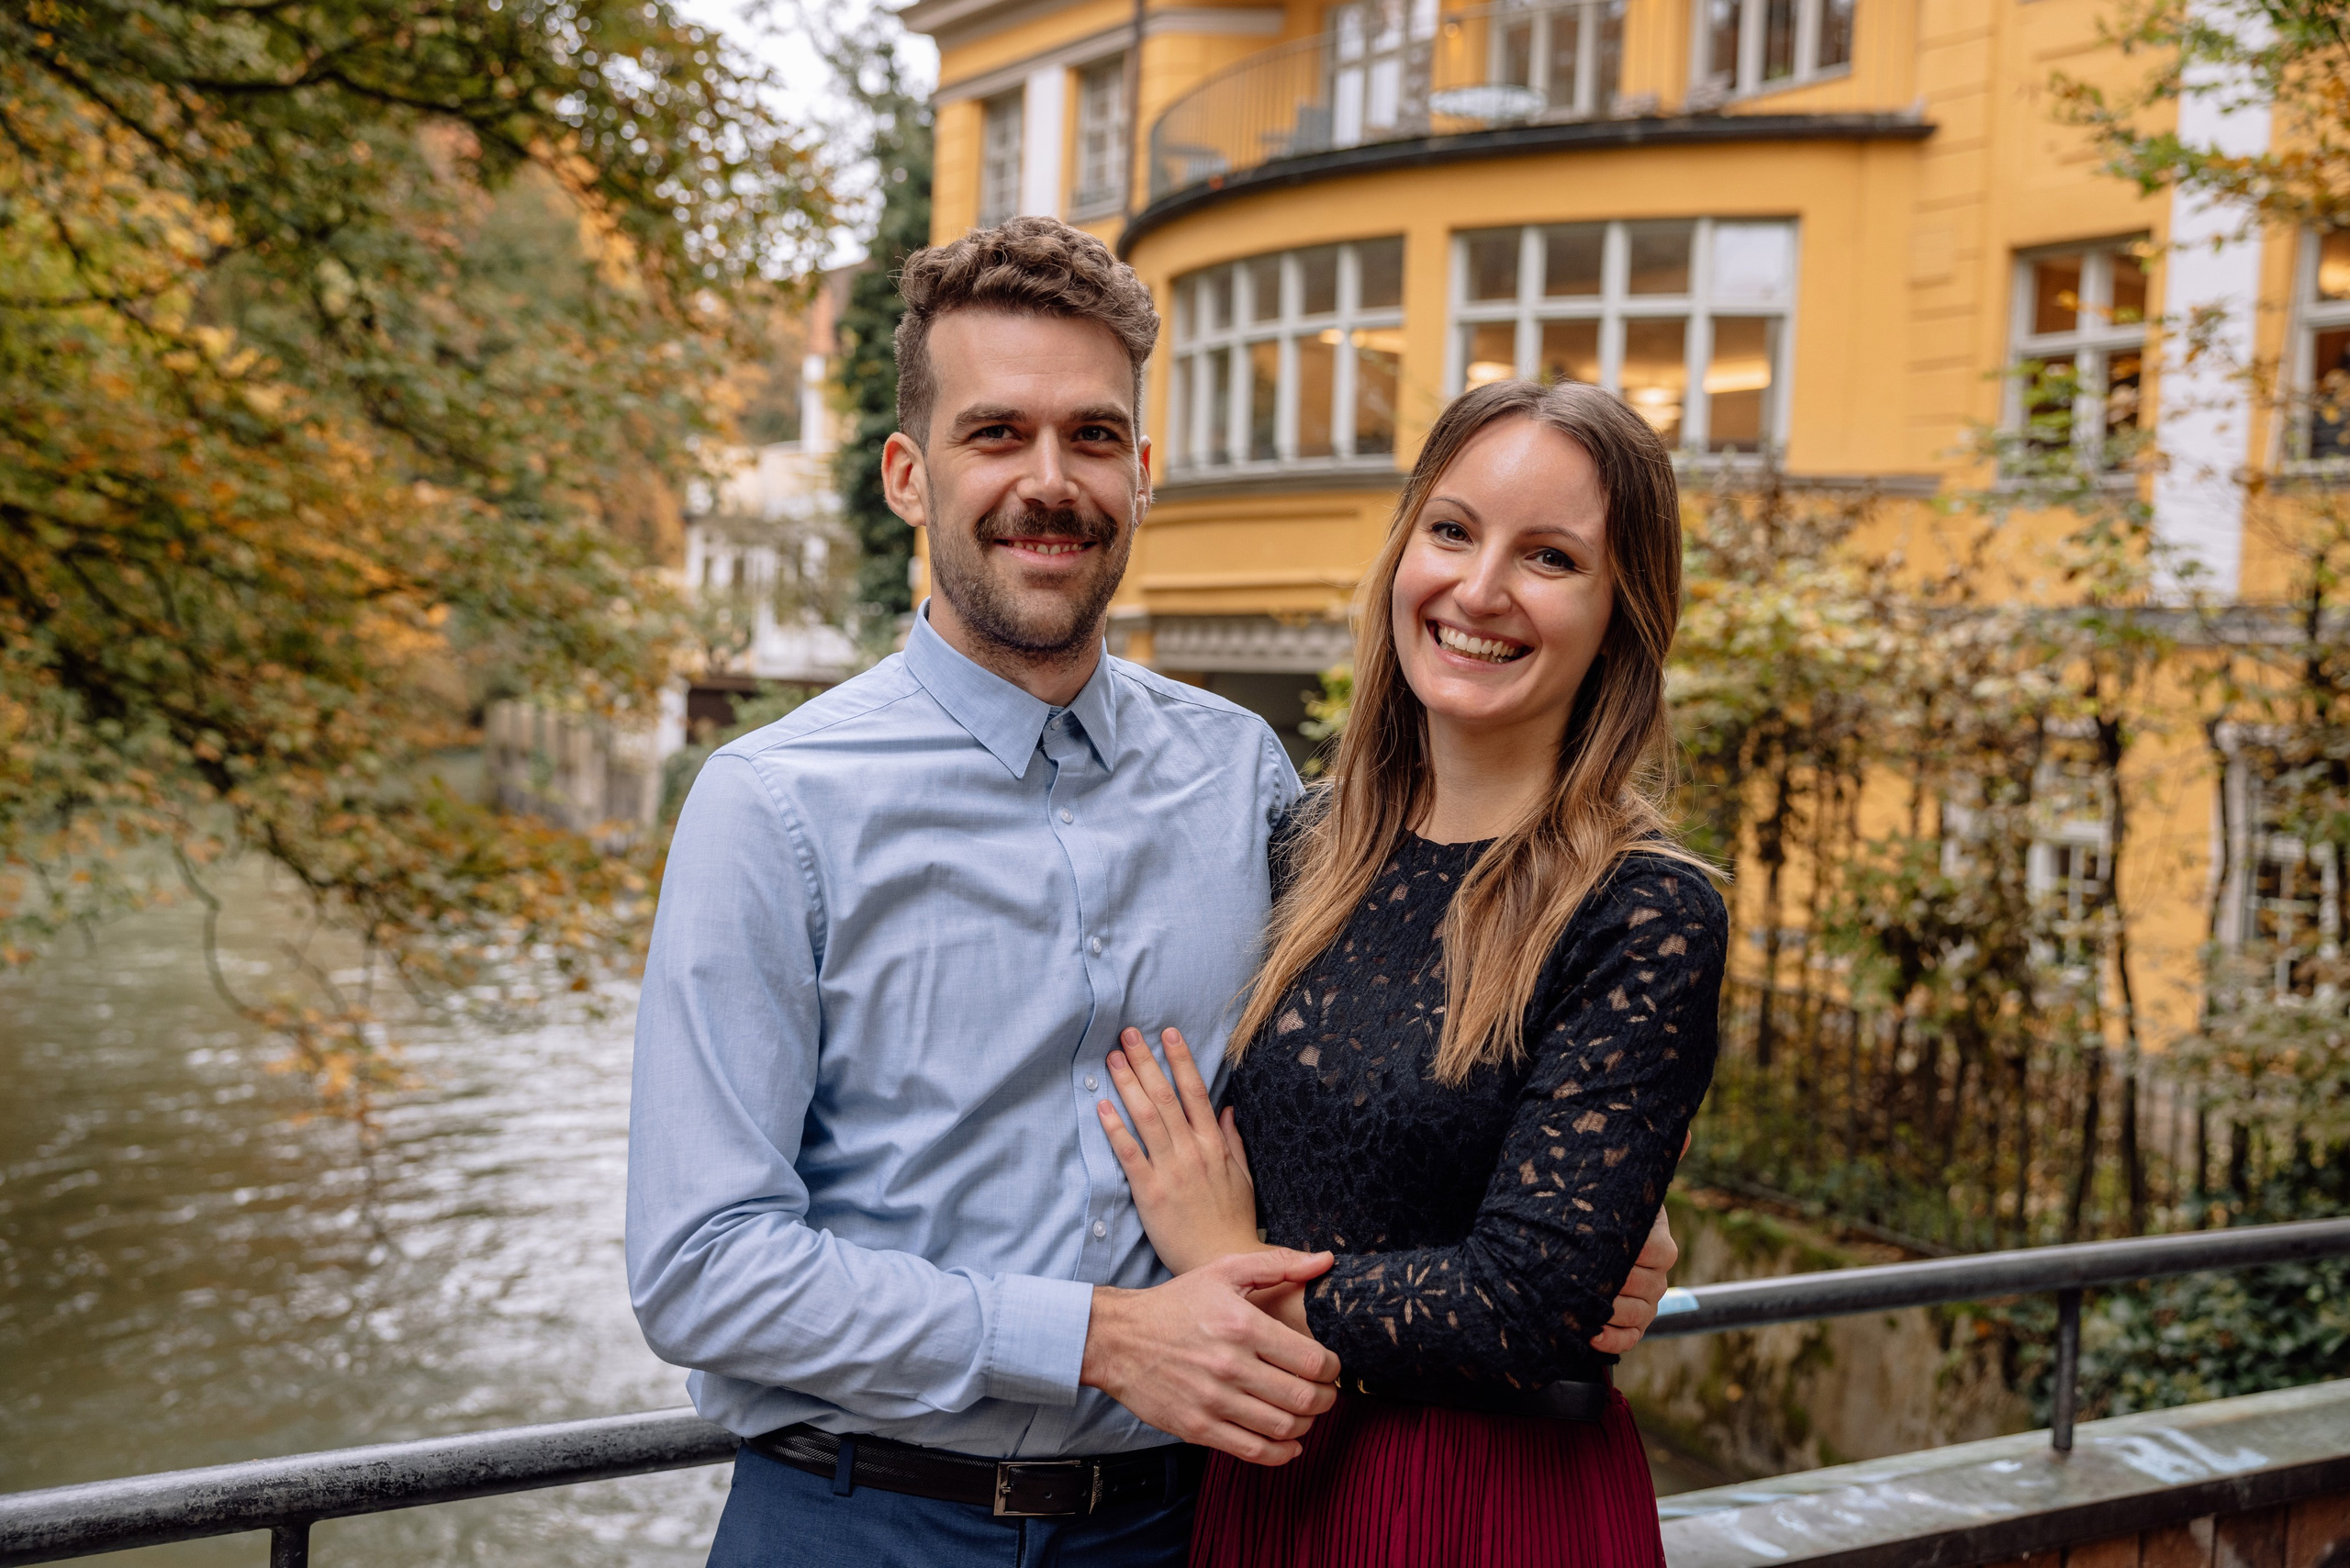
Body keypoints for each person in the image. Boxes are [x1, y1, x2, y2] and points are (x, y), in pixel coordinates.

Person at [626, 218, 1679, 1568]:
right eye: (995, 433)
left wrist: (1603, 1205)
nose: (1048, 482)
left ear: (1143, 471)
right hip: (860, 1522)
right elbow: (701, 1268)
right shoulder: (772, 805)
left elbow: (1398, 1054)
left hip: (1185, 1526)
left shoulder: (1244, 780)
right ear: (908, 473)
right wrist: (1100, 1338)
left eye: (1094, 436)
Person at [1096, 377, 1728, 1568]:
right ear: (1403, 553)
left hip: (1480, 1504)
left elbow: (1522, 1308)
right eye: (1452, 530)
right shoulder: (1304, 847)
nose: (1480, 590)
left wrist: (1229, 1277)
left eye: (1549, 557)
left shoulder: (1643, 910)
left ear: (1620, 615)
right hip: (1266, 1481)